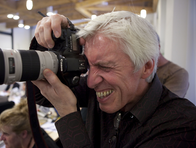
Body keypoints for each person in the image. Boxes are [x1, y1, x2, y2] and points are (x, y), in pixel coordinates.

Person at [32, 11, 196, 147]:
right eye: (88, 66)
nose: (90, 82)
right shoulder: (103, 88)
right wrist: (47, 40)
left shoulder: (181, 124)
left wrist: (68, 114)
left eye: (105, 67)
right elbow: (40, 95)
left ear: (146, 67)